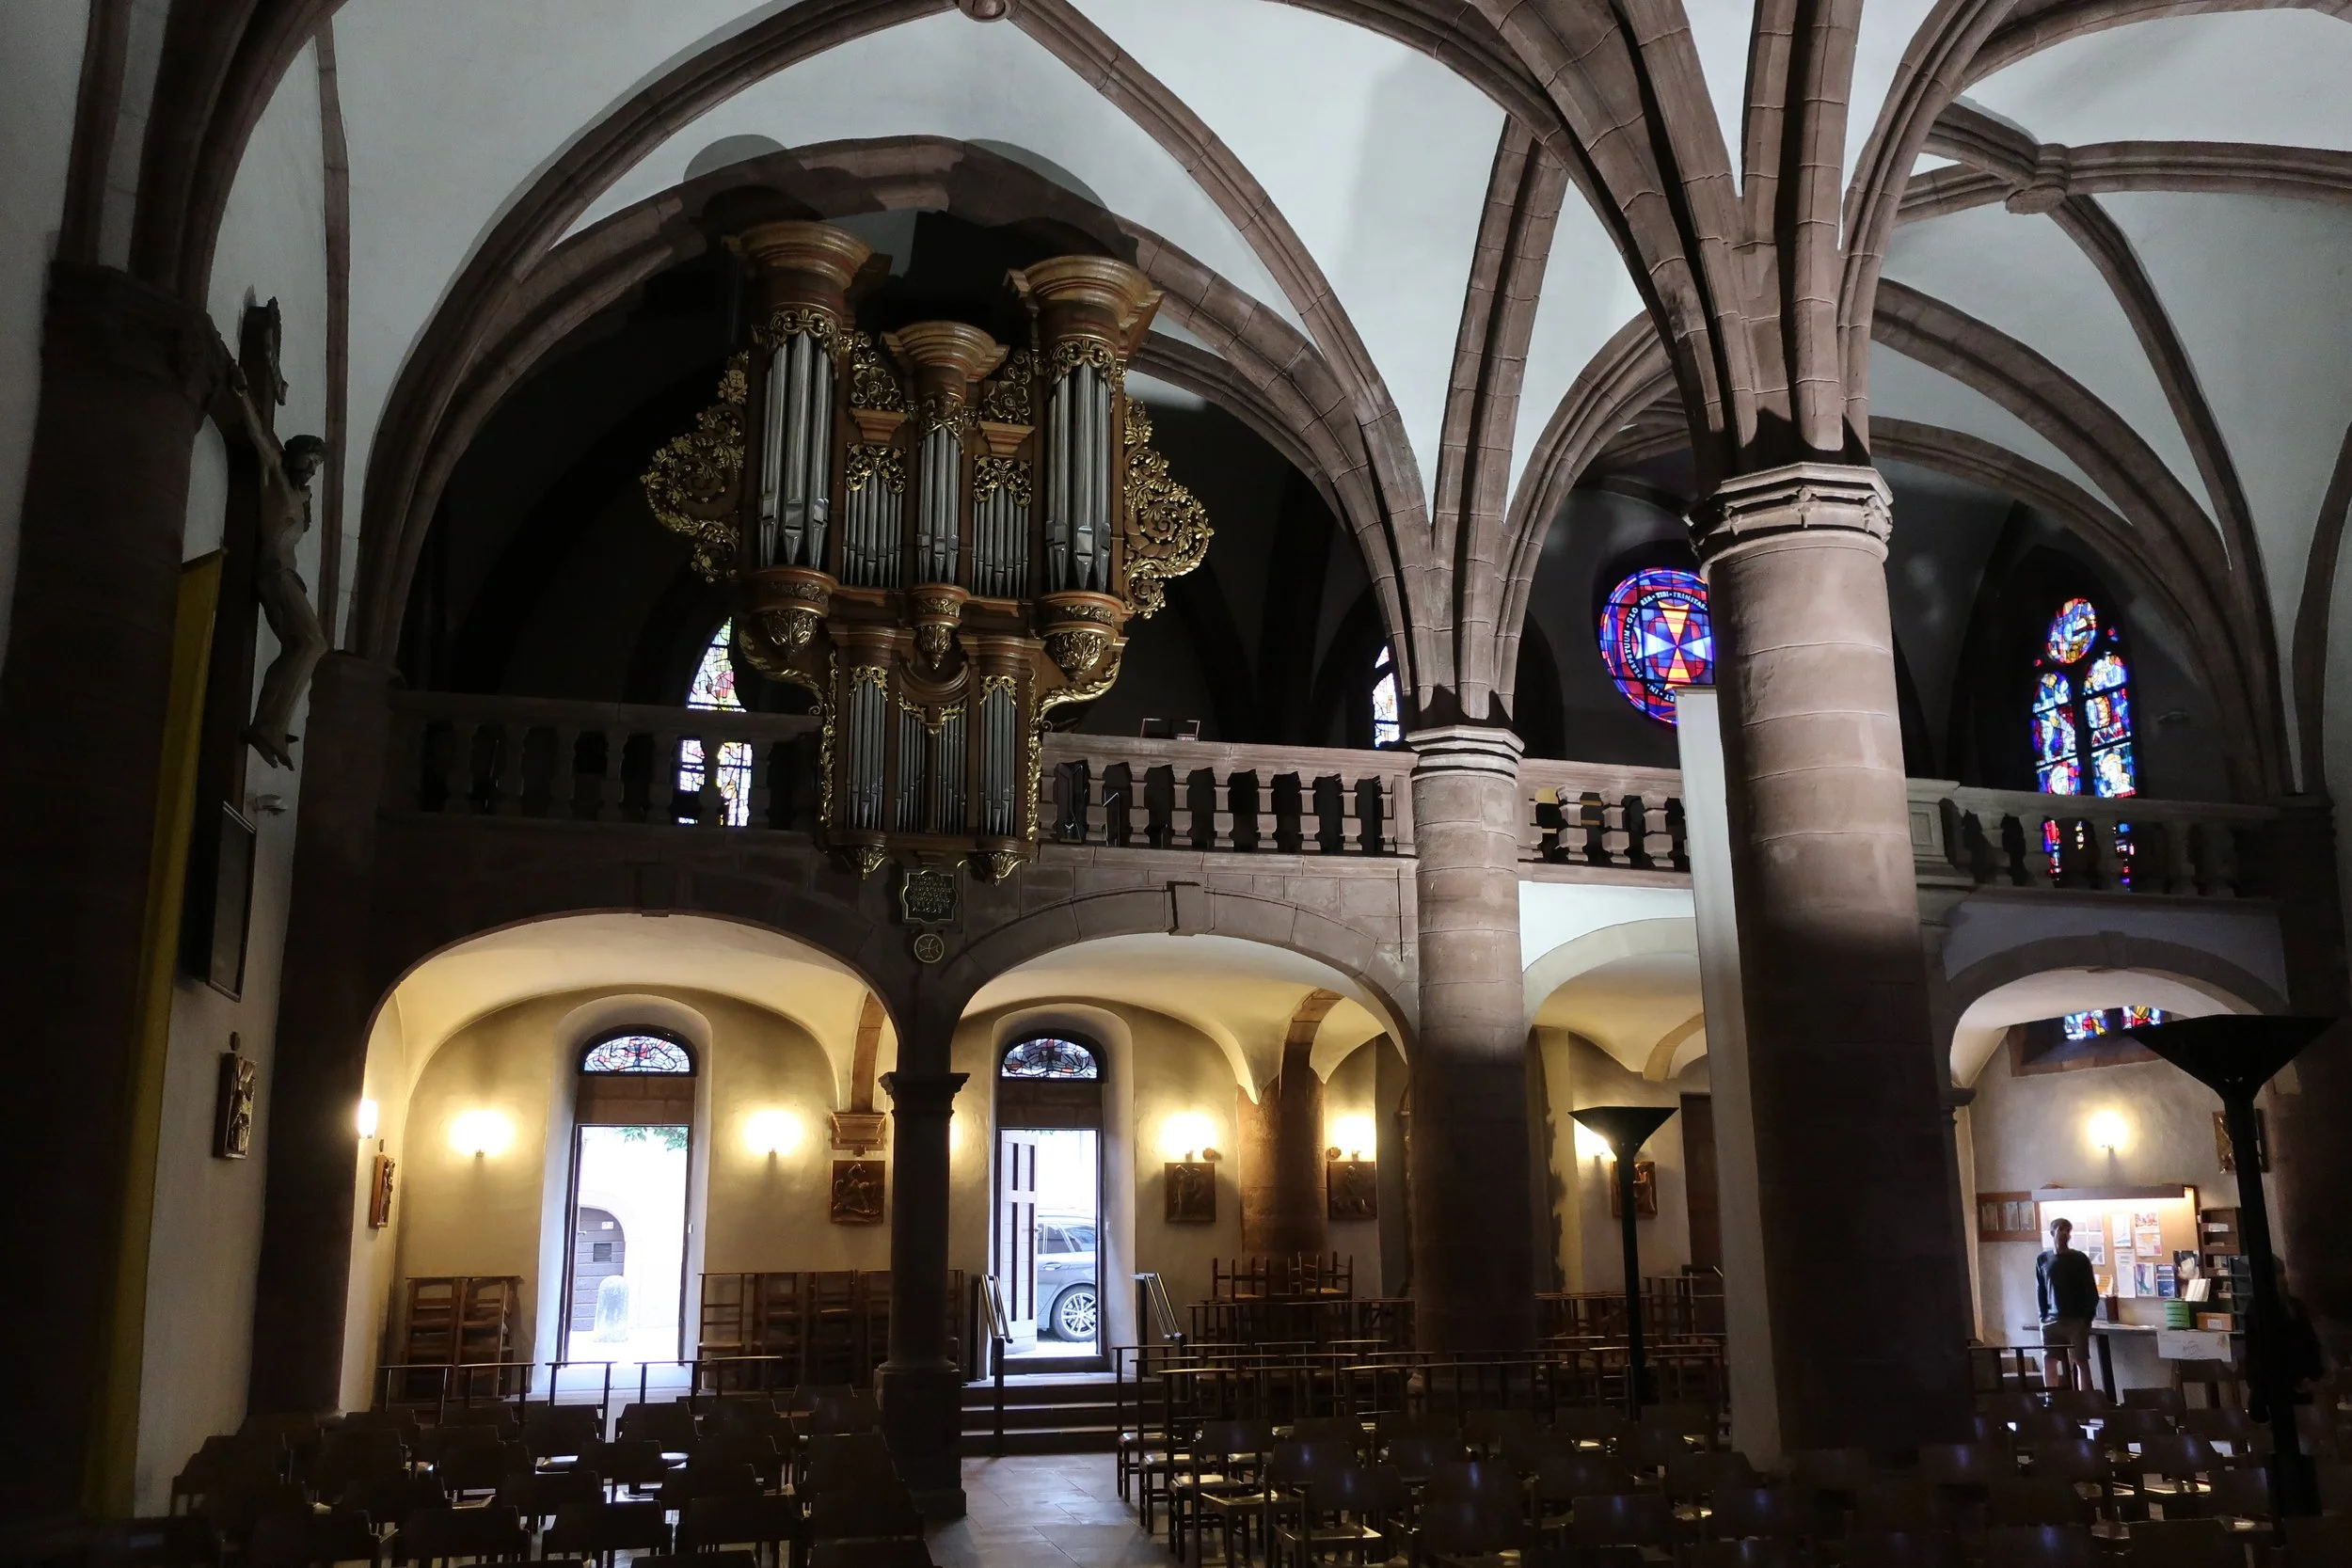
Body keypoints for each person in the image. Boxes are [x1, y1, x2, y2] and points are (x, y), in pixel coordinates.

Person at [2036, 1216, 2100, 1391]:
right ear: (2052, 1232)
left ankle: (2084, 1402)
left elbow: (2090, 1289)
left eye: (2068, 1230)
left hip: (2076, 1319)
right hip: (2051, 1320)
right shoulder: (2043, 1259)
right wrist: (2043, 1317)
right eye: (2061, 1230)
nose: (2064, 1234)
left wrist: (2087, 1318)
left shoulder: (2080, 1259)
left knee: (2080, 1361)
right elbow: (2041, 1290)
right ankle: (2051, 1399)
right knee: (2049, 1360)